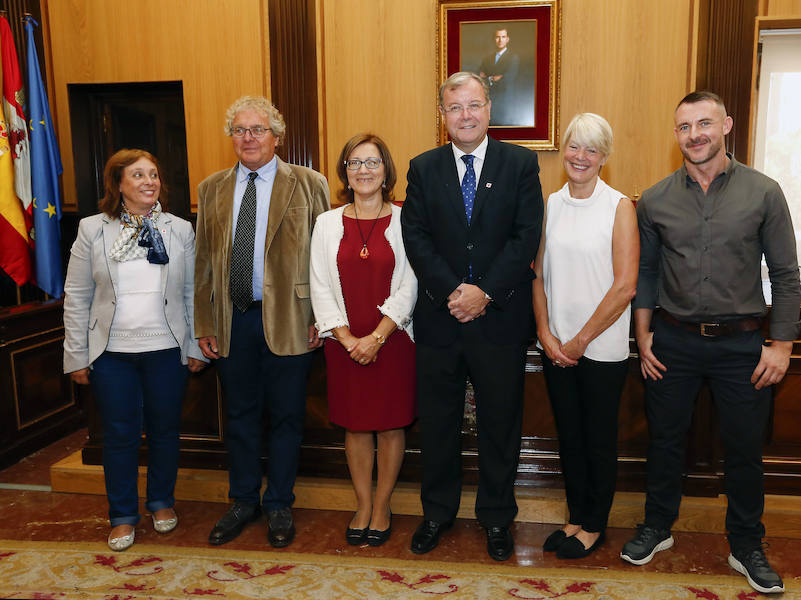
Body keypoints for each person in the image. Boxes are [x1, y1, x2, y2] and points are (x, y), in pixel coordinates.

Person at [621, 91, 801, 595]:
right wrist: (643, 334)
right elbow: (649, 271)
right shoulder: (656, 199)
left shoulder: (764, 192)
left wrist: (781, 345)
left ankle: (746, 544)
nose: (694, 134)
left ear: (725, 125)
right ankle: (657, 526)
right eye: (684, 126)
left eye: (704, 123)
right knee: (663, 440)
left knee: (744, 450)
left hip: (742, 347)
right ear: (675, 134)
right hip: (673, 342)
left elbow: (786, 275)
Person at [401, 72, 543, 561]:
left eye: (474, 105)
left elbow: (526, 236)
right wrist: (451, 292)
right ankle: (437, 513)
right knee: (438, 423)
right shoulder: (423, 168)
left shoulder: (520, 163)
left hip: (499, 319)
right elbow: (415, 237)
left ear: (489, 109)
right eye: (455, 107)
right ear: (443, 115)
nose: (465, 115)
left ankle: (498, 517)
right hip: (441, 320)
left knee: (500, 424)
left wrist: (483, 291)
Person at [194, 96, 330, 549]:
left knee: (289, 417)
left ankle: (279, 504)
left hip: (292, 319)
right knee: (239, 417)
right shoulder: (211, 188)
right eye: (239, 129)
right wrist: (203, 321)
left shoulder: (309, 183)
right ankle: (243, 500)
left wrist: (322, 317)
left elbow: (324, 259)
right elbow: (203, 263)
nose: (248, 138)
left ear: (277, 136)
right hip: (232, 321)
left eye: (257, 129)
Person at [63, 149, 207, 552]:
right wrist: (76, 354)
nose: (149, 181)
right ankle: (122, 515)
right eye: (138, 175)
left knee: (164, 432)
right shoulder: (92, 229)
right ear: (118, 184)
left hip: (166, 349)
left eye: (154, 174)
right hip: (111, 353)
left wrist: (195, 345)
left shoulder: (179, 229)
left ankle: (161, 502)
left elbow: (191, 292)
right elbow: (77, 295)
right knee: (120, 436)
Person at [532, 113, 638, 559]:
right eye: (574, 146)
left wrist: (579, 341)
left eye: (591, 150)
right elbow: (536, 274)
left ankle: (594, 524)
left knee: (597, 440)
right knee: (569, 438)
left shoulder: (619, 207)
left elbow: (625, 285)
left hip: (601, 347)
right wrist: (545, 332)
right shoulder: (551, 204)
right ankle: (574, 519)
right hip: (555, 346)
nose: (580, 156)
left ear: (604, 158)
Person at [310, 133, 417, 547]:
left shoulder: (408, 218)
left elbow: (410, 283)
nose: (364, 171)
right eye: (355, 163)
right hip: (344, 344)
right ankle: (361, 503)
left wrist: (376, 336)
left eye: (372, 163)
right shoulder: (326, 223)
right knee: (355, 426)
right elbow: (319, 284)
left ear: (387, 171)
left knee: (390, 425)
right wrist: (347, 337)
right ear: (345, 172)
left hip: (394, 340)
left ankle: (383, 505)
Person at [478, 28, 519, 125]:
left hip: (505, 100)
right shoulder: (487, 59)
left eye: (503, 37)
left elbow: (508, 78)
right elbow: (479, 77)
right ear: (494, 39)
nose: (500, 40)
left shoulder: (513, 58)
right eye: (497, 37)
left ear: (507, 39)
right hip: (488, 99)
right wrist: (495, 77)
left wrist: (488, 77)